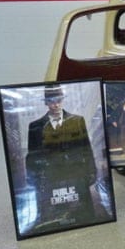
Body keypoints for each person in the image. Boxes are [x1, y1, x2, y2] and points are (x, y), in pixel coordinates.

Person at [25, 84, 97, 228]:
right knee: (55, 214)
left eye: (58, 100)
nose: (56, 104)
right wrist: (34, 178)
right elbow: (32, 155)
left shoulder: (77, 120)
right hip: (52, 176)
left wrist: (92, 171)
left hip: (76, 173)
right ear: (46, 103)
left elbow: (86, 148)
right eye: (51, 101)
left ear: (62, 100)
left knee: (84, 213)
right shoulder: (35, 126)